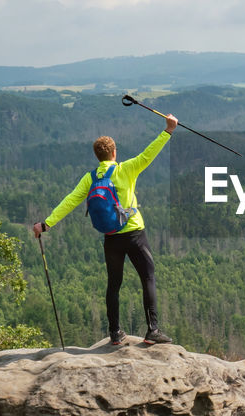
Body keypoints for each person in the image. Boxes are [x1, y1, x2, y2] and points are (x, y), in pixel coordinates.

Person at [32, 114, 178, 345]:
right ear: (114, 153)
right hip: (134, 233)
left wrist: (46, 224)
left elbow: (69, 201)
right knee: (148, 277)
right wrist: (168, 130)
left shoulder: (90, 178)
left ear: (97, 156)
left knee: (114, 284)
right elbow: (148, 154)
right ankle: (152, 331)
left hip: (111, 238)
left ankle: (115, 333)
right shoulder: (125, 169)